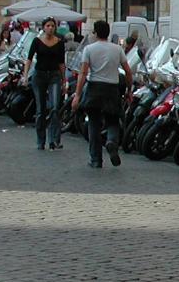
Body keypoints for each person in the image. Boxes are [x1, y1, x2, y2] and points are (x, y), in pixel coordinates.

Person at [71, 19, 133, 169]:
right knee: (113, 121)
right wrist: (129, 89)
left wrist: (78, 95)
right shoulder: (117, 49)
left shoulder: (89, 49)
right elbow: (128, 71)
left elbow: (83, 73)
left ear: (96, 33)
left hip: (94, 89)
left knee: (94, 124)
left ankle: (96, 159)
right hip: (112, 89)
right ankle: (112, 141)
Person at [24, 16, 67, 151]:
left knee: (54, 107)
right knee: (40, 110)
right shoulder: (37, 41)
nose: (50, 28)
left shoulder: (59, 43)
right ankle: (41, 140)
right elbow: (29, 59)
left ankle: (54, 139)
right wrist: (25, 76)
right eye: (47, 26)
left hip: (54, 75)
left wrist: (64, 80)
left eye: (52, 26)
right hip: (39, 76)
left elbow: (61, 63)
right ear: (43, 27)